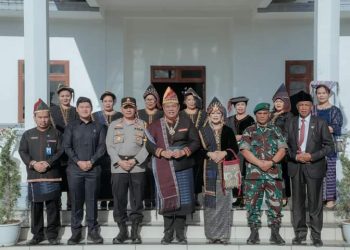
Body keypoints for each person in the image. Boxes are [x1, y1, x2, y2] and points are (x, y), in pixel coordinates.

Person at [146, 87, 200, 244]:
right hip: (164, 168)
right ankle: (168, 234)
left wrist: (184, 151)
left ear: (178, 107)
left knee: (182, 202)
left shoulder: (186, 122)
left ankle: (180, 234)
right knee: (168, 200)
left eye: (174, 106)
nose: (171, 109)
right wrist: (161, 152)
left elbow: (196, 142)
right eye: (168, 106)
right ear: (163, 108)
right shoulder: (155, 125)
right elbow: (149, 144)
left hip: (183, 167)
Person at [286, 91, 334, 247]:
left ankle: (316, 235)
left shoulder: (320, 122)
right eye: (301, 105)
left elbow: (329, 146)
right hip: (296, 167)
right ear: (297, 107)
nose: (304, 108)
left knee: (315, 203)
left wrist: (311, 156)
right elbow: (284, 146)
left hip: (314, 167)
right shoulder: (291, 122)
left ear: (311, 107)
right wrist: (295, 156)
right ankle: (300, 234)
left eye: (307, 105)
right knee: (298, 203)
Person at [239, 102, 287, 245]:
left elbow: (282, 149)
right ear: (256, 115)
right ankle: (254, 233)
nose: (262, 116)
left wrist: (271, 162)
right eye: (259, 113)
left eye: (265, 113)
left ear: (269, 114)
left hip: (273, 173)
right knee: (252, 204)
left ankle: (275, 232)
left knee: (275, 204)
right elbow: (244, 150)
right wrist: (260, 163)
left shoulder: (276, 130)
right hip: (254, 174)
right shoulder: (249, 130)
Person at [19, 99, 63, 245]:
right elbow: (22, 151)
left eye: (46, 117)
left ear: (49, 117)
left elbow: (61, 152)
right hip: (34, 176)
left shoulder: (56, 134)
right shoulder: (27, 134)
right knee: (36, 207)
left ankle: (52, 235)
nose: (43, 120)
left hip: (52, 176)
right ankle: (37, 235)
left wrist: (48, 163)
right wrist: (33, 164)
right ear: (34, 117)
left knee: (52, 207)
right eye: (40, 117)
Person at [63, 97, 106, 244]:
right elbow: (67, 147)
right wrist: (78, 161)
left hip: (93, 169)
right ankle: (76, 232)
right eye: (81, 107)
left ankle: (93, 232)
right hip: (75, 170)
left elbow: (102, 148)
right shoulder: (71, 126)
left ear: (91, 108)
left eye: (87, 106)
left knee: (92, 201)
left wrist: (91, 161)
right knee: (76, 201)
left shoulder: (99, 126)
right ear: (77, 109)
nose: (85, 109)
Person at [106, 97, 149, 244]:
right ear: (122, 109)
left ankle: (135, 231)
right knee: (119, 199)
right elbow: (109, 146)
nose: (129, 109)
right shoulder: (113, 125)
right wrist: (119, 161)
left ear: (136, 108)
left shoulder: (143, 124)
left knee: (137, 199)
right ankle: (122, 230)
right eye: (126, 107)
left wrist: (134, 160)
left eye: (131, 107)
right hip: (119, 167)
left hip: (137, 166)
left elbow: (147, 146)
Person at [198, 97, 239, 244]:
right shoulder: (202, 131)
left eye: (218, 113)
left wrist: (224, 153)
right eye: (213, 113)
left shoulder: (228, 130)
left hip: (226, 172)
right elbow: (198, 151)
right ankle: (211, 236)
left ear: (222, 115)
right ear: (208, 115)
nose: (216, 115)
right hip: (209, 172)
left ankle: (222, 236)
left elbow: (235, 148)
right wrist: (209, 154)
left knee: (224, 205)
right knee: (210, 205)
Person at [311, 81, 343, 209]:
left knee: (329, 171)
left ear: (328, 94)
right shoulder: (312, 109)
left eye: (324, 93)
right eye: (319, 93)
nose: (321, 95)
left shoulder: (334, 110)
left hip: (329, 144)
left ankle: (330, 198)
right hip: (314, 144)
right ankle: (318, 198)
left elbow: (335, 127)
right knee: (316, 172)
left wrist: (320, 128)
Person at [92, 91, 122, 210]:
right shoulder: (95, 115)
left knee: (114, 177)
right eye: (105, 101)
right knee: (101, 176)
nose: (108, 103)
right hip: (100, 151)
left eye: (110, 101)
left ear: (114, 102)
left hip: (116, 150)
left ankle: (114, 200)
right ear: (102, 102)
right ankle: (102, 201)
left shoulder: (120, 115)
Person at [50, 83, 78, 210]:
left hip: (73, 149)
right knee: (57, 177)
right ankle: (57, 204)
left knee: (71, 179)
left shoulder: (75, 111)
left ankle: (71, 205)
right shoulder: (52, 111)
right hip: (57, 148)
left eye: (68, 96)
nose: (65, 98)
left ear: (71, 97)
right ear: (58, 97)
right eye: (63, 96)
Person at [138, 84, 163, 209]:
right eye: (148, 99)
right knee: (144, 175)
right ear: (144, 100)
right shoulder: (138, 113)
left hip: (158, 148)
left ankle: (157, 198)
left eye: (152, 99)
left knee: (157, 174)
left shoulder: (161, 114)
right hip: (141, 149)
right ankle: (147, 199)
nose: (150, 101)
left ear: (156, 100)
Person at [226, 96, 255, 208]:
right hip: (232, 150)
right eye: (238, 105)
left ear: (246, 106)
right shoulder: (229, 120)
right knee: (233, 173)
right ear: (234, 107)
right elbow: (225, 133)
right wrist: (233, 137)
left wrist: (242, 137)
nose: (240, 107)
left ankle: (245, 198)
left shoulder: (250, 119)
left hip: (246, 150)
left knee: (244, 173)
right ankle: (236, 198)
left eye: (242, 105)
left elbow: (253, 134)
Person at [180, 87, 207, 205]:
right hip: (184, 148)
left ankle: (196, 197)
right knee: (185, 172)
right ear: (185, 102)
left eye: (193, 99)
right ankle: (186, 197)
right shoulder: (180, 114)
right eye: (188, 99)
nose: (191, 102)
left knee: (198, 173)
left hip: (200, 149)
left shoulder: (204, 114)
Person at [270, 84, 294, 206]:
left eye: (280, 101)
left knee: (282, 173)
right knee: (271, 172)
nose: (278, 104)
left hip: (282, 149)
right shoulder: (270, 114)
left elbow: (288, 133)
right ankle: (273, 195)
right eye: (276, 101)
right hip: (268, 149)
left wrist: (278, 144)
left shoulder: (288, 116)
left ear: (285, 102)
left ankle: (284, 196)